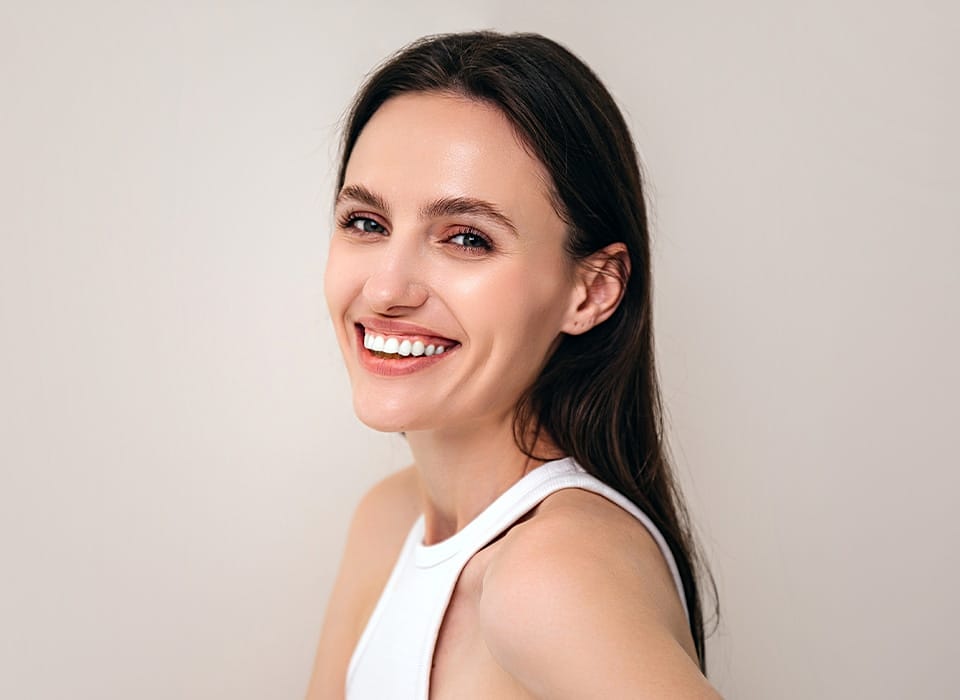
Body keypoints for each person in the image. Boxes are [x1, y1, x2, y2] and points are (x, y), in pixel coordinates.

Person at [307, 31, 720, 699]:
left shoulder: (552, 574)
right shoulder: (387, 521)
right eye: (366, 223)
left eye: (467, 238)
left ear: (591, 290)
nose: (386, 290)